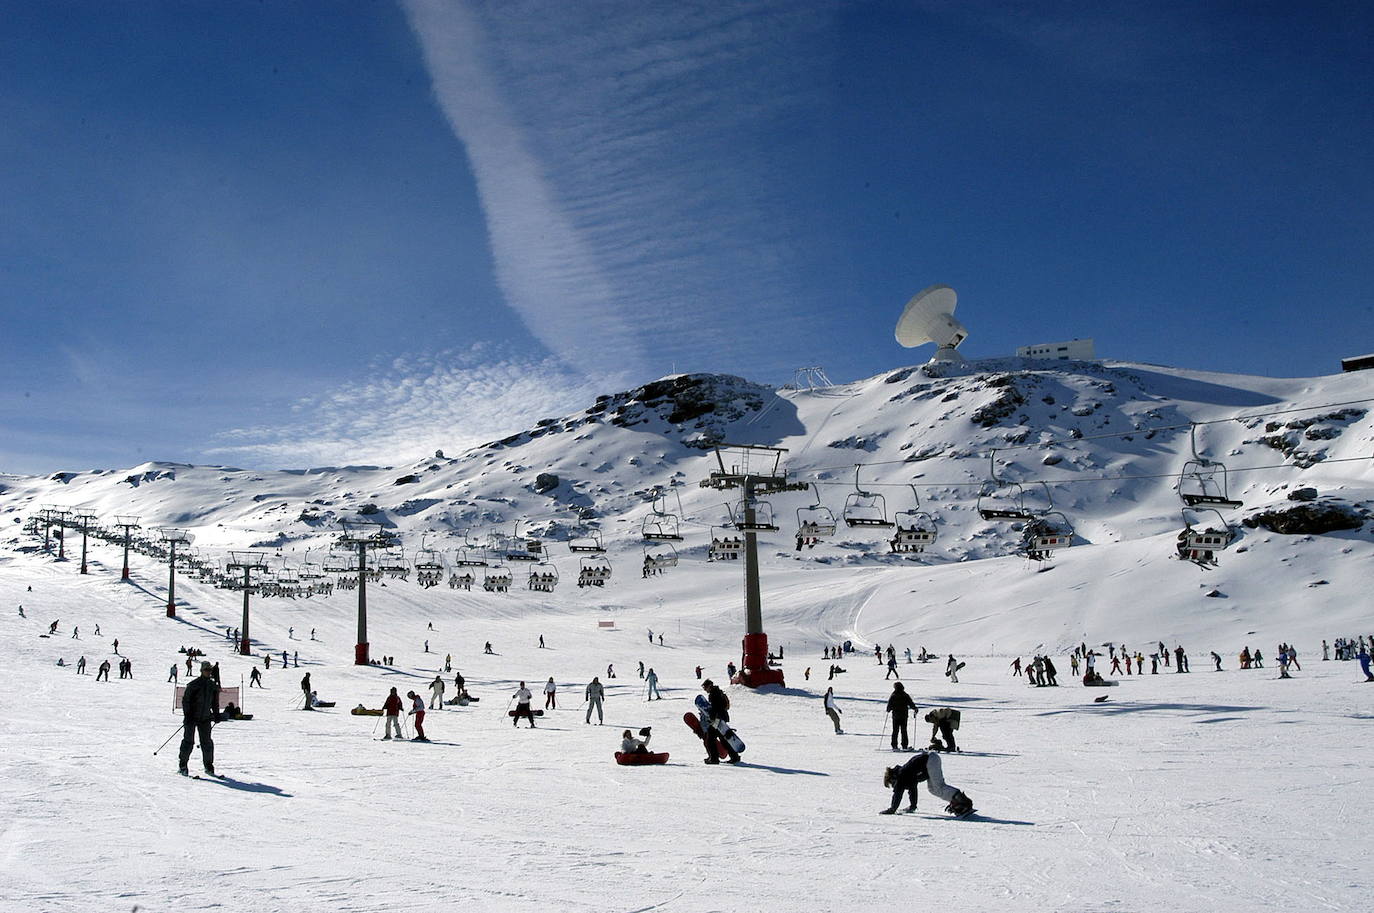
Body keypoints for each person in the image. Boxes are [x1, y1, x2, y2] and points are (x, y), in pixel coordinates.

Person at [879, 751, 973, 816]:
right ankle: (957, 801)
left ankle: (962, 801)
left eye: (891, 783)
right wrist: (913, 806)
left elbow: (897, 794)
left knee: (938, 787)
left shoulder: (901, 775)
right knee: (933, 789)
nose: (894, 785)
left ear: (893, 778)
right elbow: (913, 790)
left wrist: (892, 809)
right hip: (931, 759)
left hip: (930, 760)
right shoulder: (905, 775)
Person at [178, 662, 220, 776]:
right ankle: (183, 765)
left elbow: (214, 702)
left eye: (210, 670)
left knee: (207, 742)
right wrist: (188, 715)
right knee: (188, 741)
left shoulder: (212, 685)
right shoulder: (194, 684)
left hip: (205, 718)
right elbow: (185, 701)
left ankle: (208, 765)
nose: (208, 672)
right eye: (206, 669)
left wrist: (216, 714)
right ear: (201, 671)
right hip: (192, 718)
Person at [700, 680, 740, 764]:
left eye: (705, 687)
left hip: (717, 719)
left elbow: (716, 708)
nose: (705, 690)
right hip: (721, 718)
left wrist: (712, 717)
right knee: (723, 738)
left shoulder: (714, 694)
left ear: (709, 686)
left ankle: (714, 759)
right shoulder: (717, 692)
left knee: (710, 738)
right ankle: (734, 756)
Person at [886, 682, 917, 751]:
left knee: (895, 731)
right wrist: (915, 708)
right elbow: (910, 703)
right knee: (904, 731)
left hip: (896, 716)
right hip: (904, 716)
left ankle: (894, 745)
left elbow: (889, 705)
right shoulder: (905, 695)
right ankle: (904, 745)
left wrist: (888, 709)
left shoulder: (893, 695)